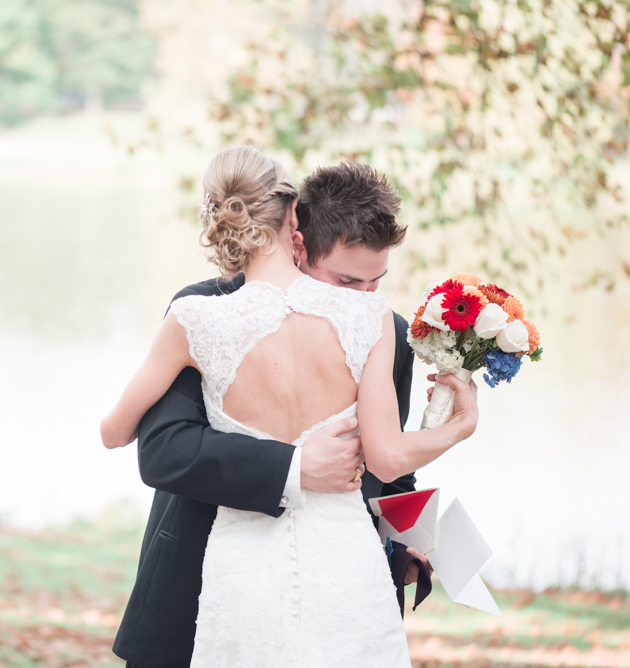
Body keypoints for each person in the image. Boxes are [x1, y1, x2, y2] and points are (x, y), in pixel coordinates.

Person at [101, 148, 479, 667]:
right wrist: (296, 468)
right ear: (298, 242)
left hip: (338, 581)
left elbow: (383, 461)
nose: (366, 296)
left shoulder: (381, 325)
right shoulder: (204, 312)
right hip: (199, 582)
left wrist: (409, 535)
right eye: (348, 282)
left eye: (377, 282)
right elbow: (166, 451)